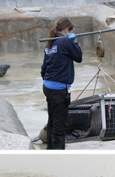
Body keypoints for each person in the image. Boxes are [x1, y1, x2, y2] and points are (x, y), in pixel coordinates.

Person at [41, 17, 81, 150]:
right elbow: (79, 57)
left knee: (52, 119)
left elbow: (44, 68)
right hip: (59, 89)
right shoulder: (65, 41)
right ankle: (58, 153)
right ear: (66, 30)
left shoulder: (50, 43)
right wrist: (74, 42)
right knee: (60, 124)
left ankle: (50, 150)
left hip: (48, 86)